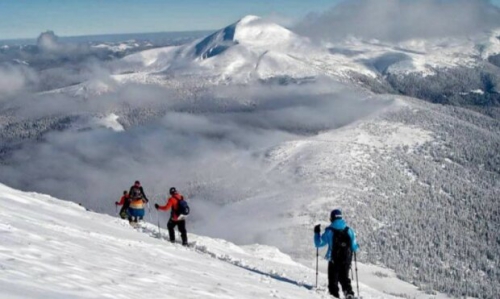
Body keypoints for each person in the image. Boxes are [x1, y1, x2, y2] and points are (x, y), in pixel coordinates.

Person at [314, 209, 359, 299]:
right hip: (346, 260)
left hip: (333, 260)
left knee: (333, 281)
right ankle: (348, 293)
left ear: (332, 218)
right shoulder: (349, 230)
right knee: (344, 278)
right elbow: (355, 248)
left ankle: (334, 296)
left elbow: (318, 244)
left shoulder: (329, 231)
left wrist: (317, 233)